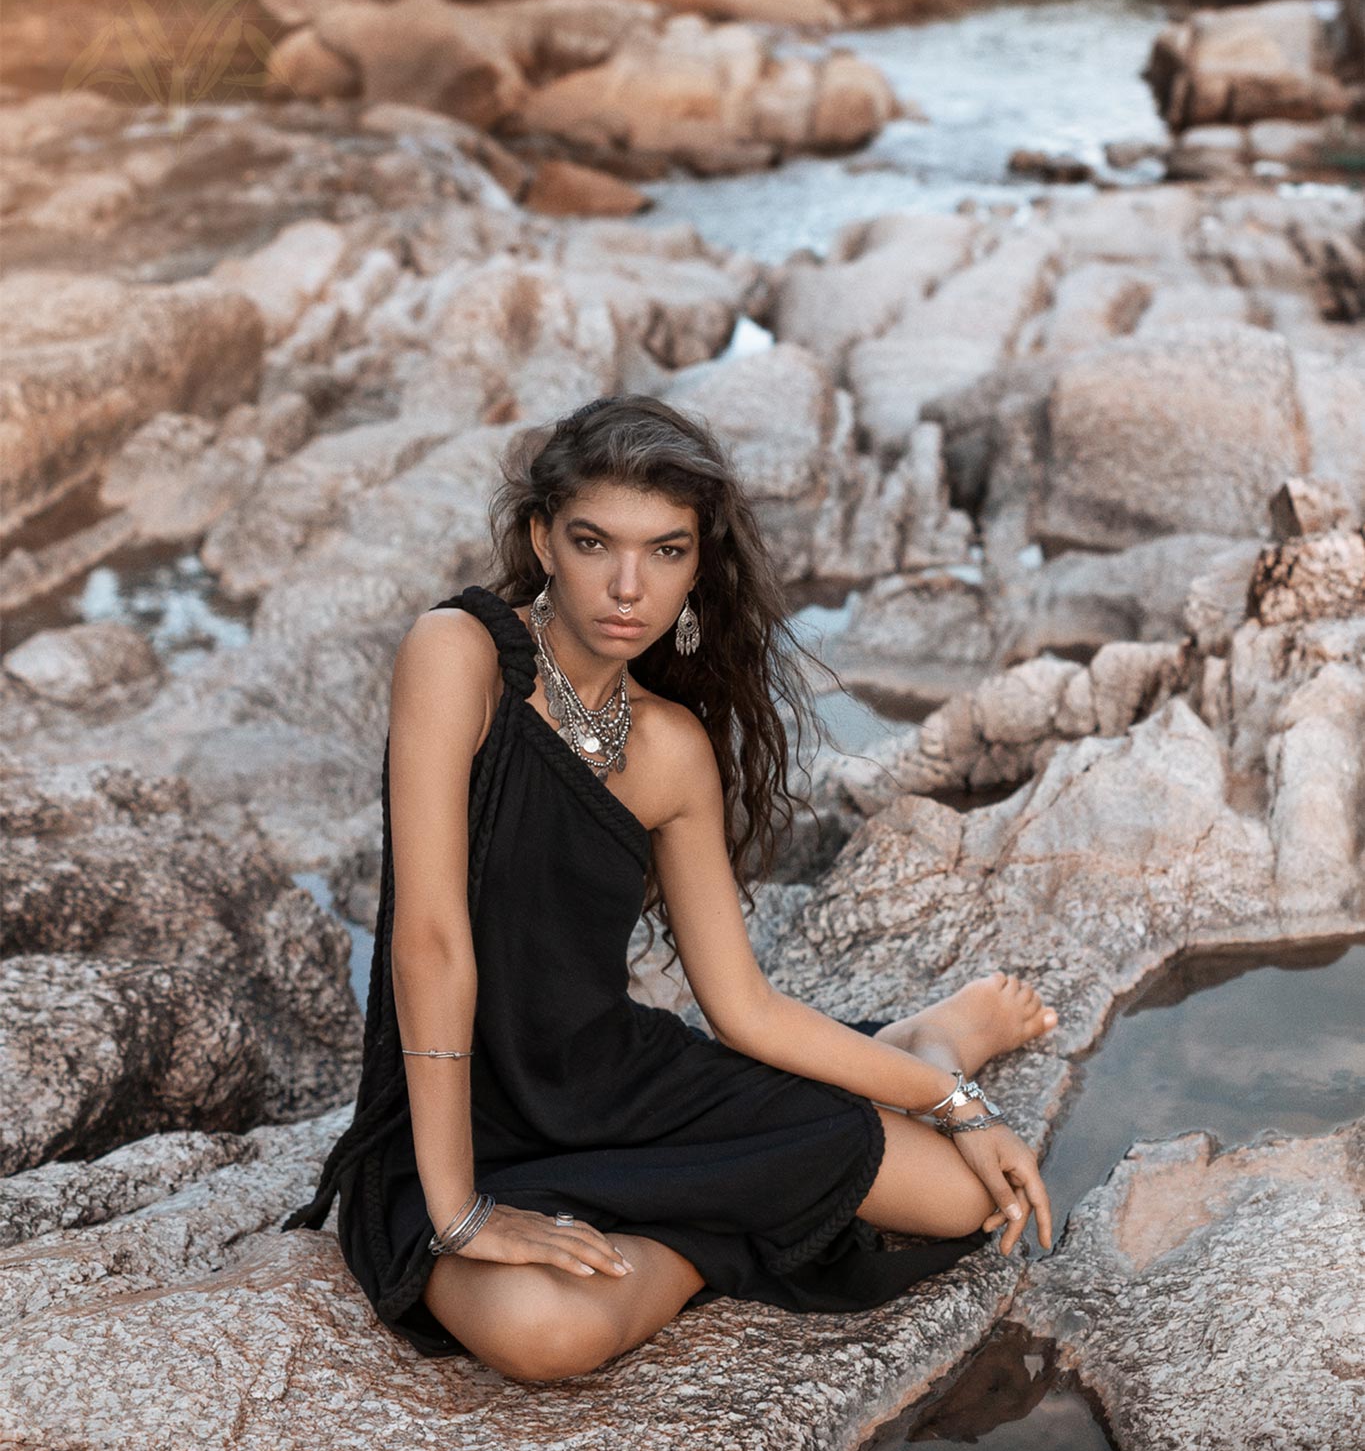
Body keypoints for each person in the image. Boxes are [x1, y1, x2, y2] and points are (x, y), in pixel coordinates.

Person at [281, 395, 1056, 1382]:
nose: (627, 585)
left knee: (959, 1195)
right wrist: (458, 1205)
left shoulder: (671, 748)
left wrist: (958, 1100)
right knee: (544, 1335)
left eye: (667, 551)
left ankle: (921, 1046)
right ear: (541, 538)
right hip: (457, 1112)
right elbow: (430, 940)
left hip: (622, 1087)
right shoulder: (459, 655)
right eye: (595, 540)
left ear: (699, 565)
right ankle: (717, 1224)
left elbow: (743, 1007)